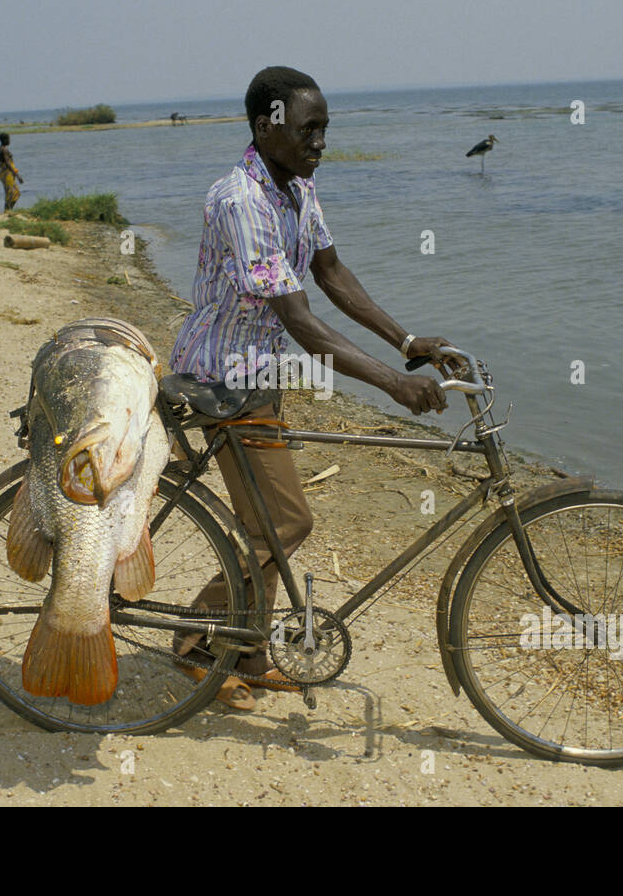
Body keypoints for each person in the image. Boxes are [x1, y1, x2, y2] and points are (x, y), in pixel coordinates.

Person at [169, 66, 455, 710]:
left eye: (325, 128)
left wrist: (408, 346)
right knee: (285, 523)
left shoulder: (297, 185)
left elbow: (330, 271)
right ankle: (193, 638)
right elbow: (298, 319)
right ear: (267, 124)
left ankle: (247, 651)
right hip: (223, 380)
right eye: (308, 129)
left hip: (258, 376)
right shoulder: (241, 200)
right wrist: (389, 384)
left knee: (264, 523)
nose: (319, 142)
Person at [0, 133, 23, 212]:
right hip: (7, 174)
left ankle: (7, 211)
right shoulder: (4, 150)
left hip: (2, 173)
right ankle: (8, 211)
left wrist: (2, 167)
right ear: (4, 140)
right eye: (8, 139)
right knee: (15, 193)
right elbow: (8, 163)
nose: (9, 141)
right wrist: (17, 175)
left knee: (9, 193)